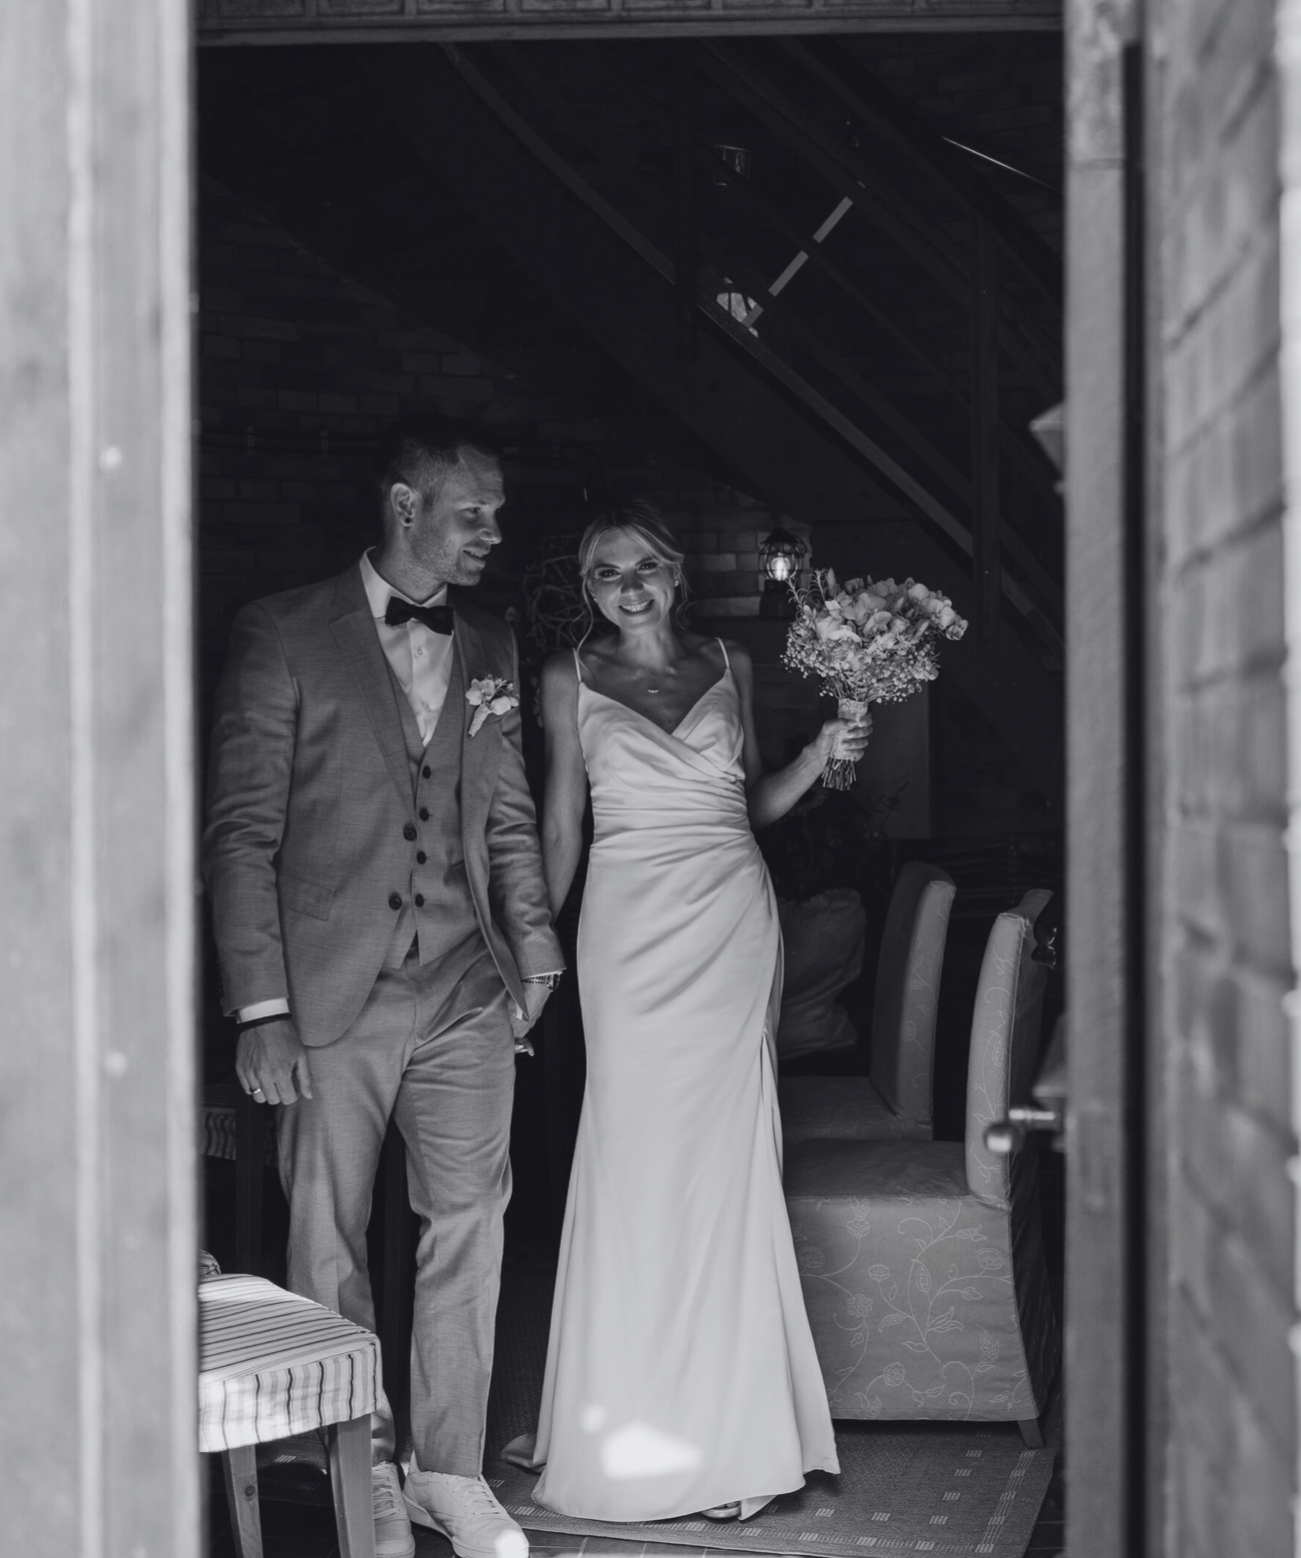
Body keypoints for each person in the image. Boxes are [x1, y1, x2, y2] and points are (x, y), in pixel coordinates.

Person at [203, 415, 562, 1558]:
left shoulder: (491, 641)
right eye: (474, 512)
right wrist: (261, 1008)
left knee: (471, 1221)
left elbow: (508, 816)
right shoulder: (282, 631)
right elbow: (240, 833)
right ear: (406, 506)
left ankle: (450, 1472)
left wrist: (536, 954)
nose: (492, 532)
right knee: (329, 1231)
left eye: (497, 512)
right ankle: (357, 1466)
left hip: (466, 983)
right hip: (324, 992)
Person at [517, 502, 864, 1522]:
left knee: (725, 1166)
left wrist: (820, 754)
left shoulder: (728, 662)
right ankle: (627, 1408)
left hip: (730, 923)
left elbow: (745, 802)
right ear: (589, 590)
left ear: (675, 575)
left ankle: (732, 1430)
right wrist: (535, 959)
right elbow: (563, 828)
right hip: (625, 933)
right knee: (634, 1158)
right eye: (604, 572)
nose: (625, 587)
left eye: (642, 567)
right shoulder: (566, 678)